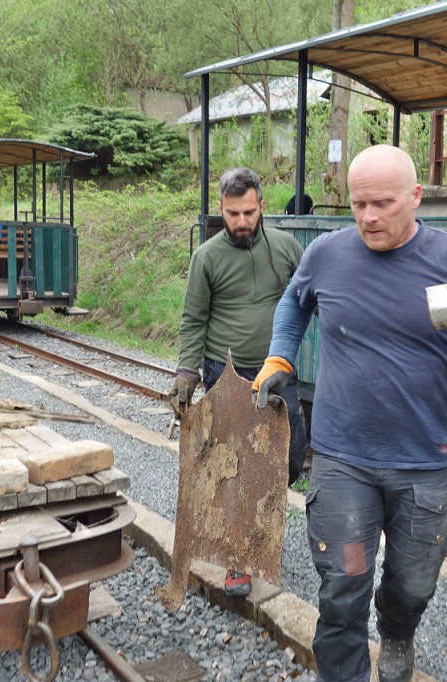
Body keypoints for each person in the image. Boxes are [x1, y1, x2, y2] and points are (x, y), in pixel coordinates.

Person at [253, 144, 447, 682]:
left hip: (423, 461)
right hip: (343, 460)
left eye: (383, 203)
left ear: (416, 197)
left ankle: (397, 632)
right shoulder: (326, 254)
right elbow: (294, 304)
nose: (368, 217)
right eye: (358, 204)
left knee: (413, 585)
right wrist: (280, 353)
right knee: (343, 590)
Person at [170, 167, 308, 598]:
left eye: (249, 212)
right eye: (232, 214)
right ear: (221, 209)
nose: (242, 222)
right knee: (233, 467)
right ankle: (237, 559)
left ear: (262, 206)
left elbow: (312, 299)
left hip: (278, 372)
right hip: (224, 374)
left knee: (292, 455)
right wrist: (186, 374)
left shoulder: (286, 249)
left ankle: (254, 516)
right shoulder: (207, 257)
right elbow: (193, 321)